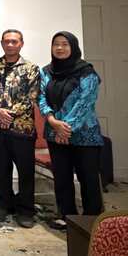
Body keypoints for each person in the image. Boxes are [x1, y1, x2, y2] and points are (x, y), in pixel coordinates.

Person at [39, 31, 104, 230]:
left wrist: (65, 128)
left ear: (73, 47)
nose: (60, 48)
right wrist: (52, 120)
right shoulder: (46, 71)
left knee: (88, 178)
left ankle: (92, 221)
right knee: (62, 177)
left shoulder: (87, 72)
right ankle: (67, 216)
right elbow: (41, 98)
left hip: (85, 134)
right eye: (56, 44)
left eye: (65, 44)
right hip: (54, 132)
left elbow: (86, 101)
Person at [0, 29, 40, 228]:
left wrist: (9, 114)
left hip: (22, 128)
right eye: (6, 41)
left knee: (25, 171)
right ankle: (3, 204)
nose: (10, 44)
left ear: (21, 43)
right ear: (2, 43)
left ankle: (26, 210)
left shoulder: (31, 68)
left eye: (14, 41)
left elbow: (32, 96)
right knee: (0, 169)